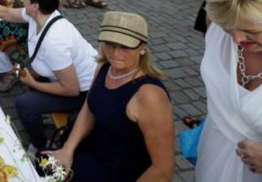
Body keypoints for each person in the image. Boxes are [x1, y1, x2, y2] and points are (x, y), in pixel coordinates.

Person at [0, 0, 97, 150]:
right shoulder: (42, 15)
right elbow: (6, 12)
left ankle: (41, 146)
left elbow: (71, 89)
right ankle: (41, 115)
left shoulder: (55, 41)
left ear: (34, 6)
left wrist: (33, 83)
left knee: (24, 103)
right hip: (71, 81)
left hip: (85, 93)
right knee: (33, 86)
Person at [50, 12, 174, 182]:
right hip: (93, 152)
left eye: (125, 46)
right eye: (110, 43)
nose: (115, 53)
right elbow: (89, 108)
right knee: (43, 166)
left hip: (121, 173)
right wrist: (67, 149)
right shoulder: (104, 66)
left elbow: (163, 170)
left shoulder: (150, 95)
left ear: (143, 47)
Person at [197, 0, 262, 180]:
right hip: (211, 157)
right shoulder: (221, 28)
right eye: (227, 28)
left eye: (252, 31)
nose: (237, 39)